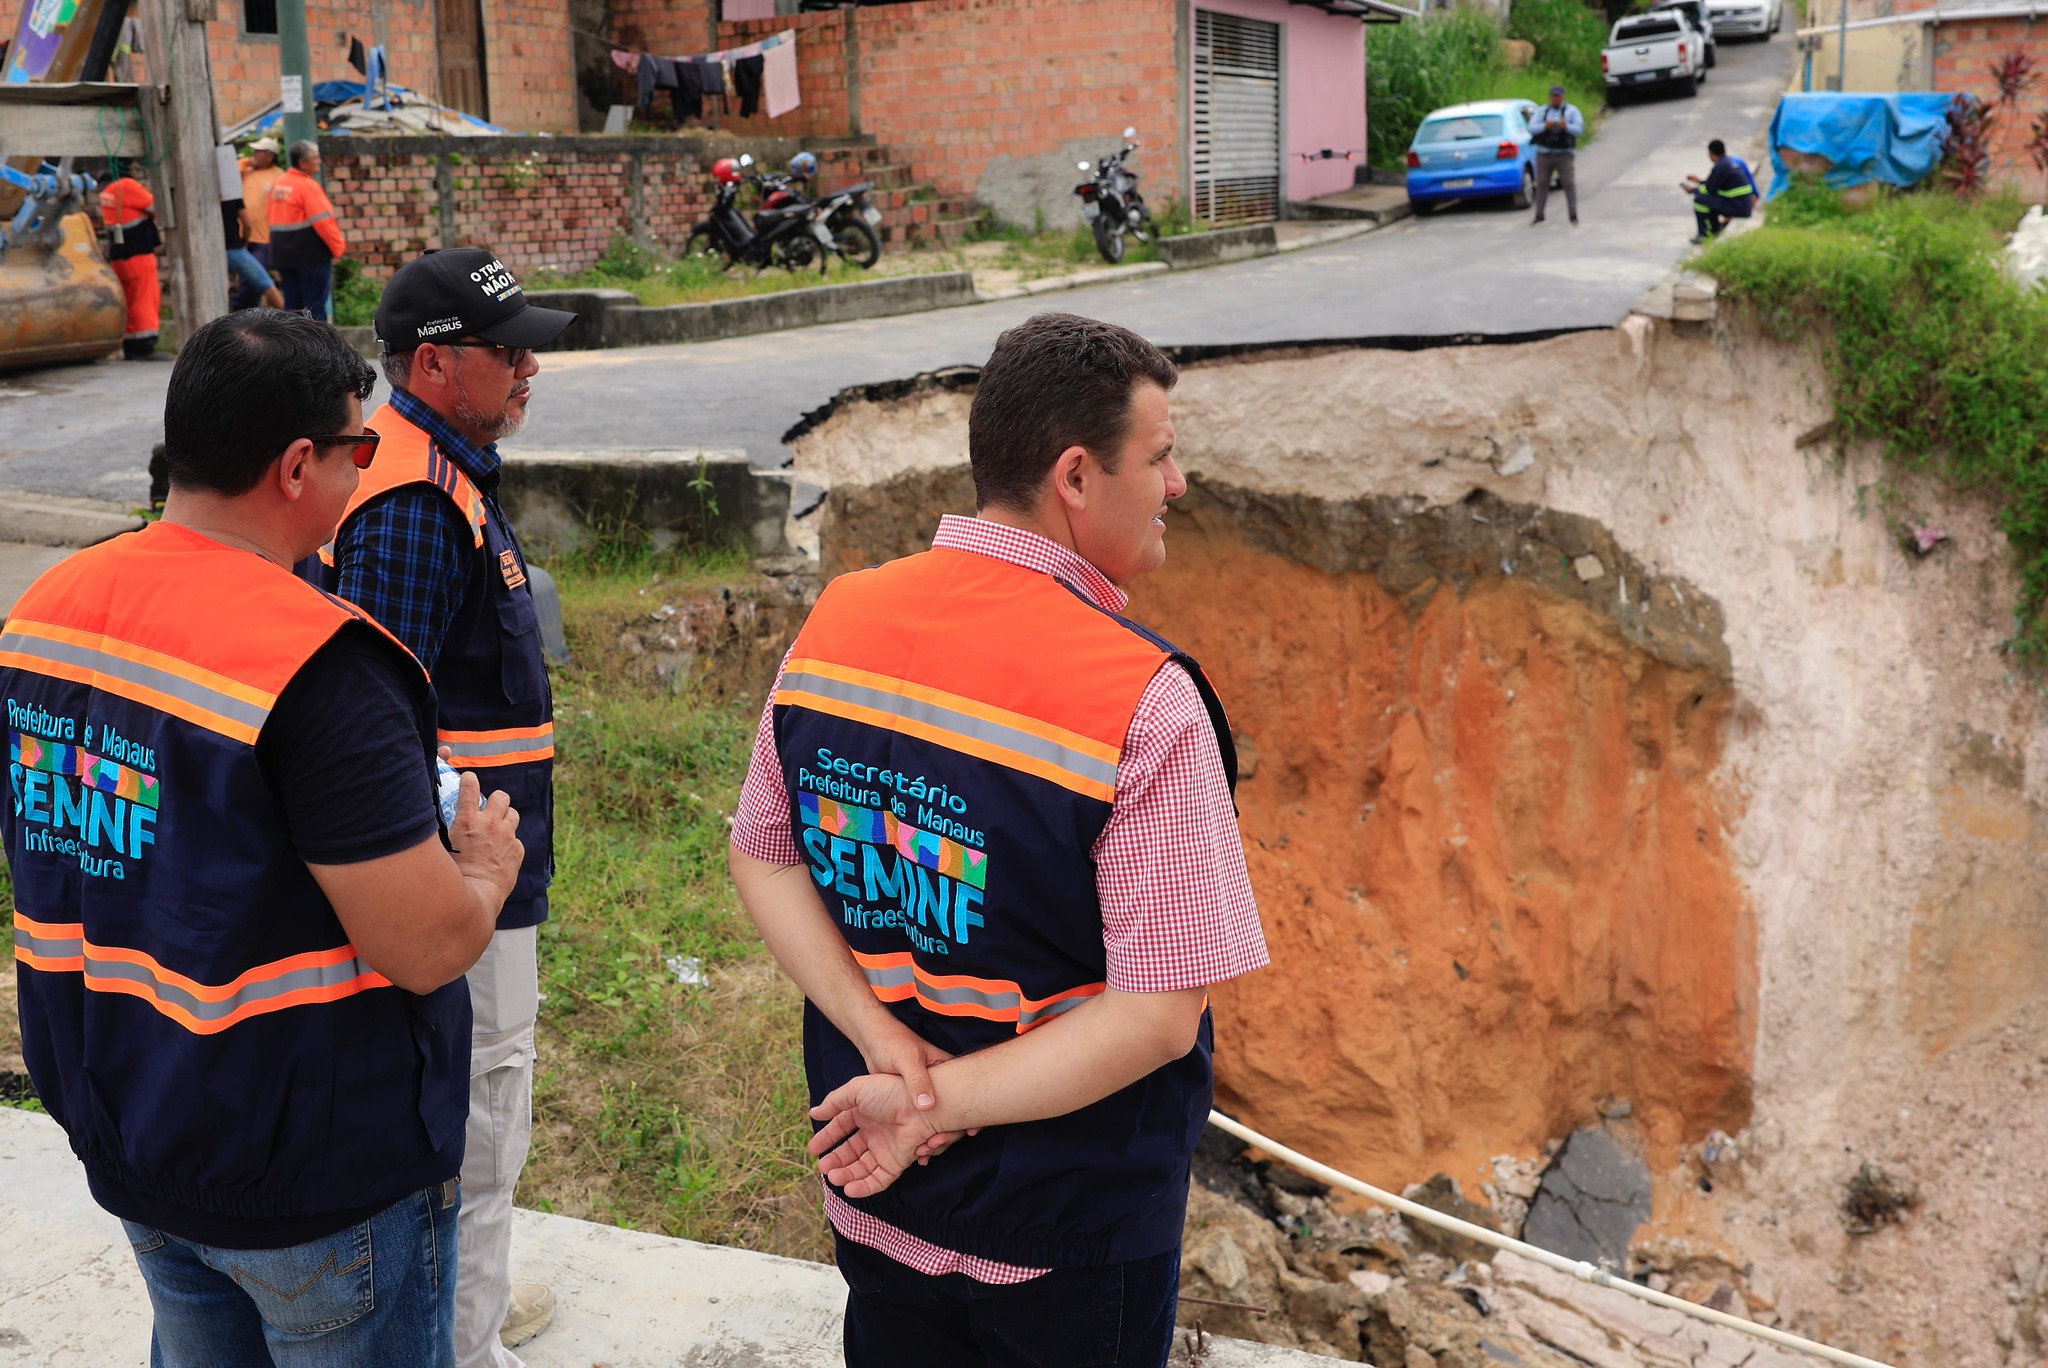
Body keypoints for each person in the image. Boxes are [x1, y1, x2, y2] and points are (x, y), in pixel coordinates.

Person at [727, 311, 1269, 1368]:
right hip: (1065, 1227)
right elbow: (1158, 1018)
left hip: (875, 1187)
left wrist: (880, 1046)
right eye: (1157, 457)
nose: (1177, 483)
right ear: (1076, 476)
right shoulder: (1142, 702)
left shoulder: (841, 620)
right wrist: (932, 1105)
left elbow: (763, 852)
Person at [0, 308, 526, 1366]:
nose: (362, 475)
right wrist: (483, 870)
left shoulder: (47, 609)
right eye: (357, 450)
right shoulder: (321, 664)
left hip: (135, 1126)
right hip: (310, 1170)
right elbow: (421, 945)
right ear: (298, 465)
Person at [308, 248, 575, 1368]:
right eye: (507, 353)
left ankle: (476, 1303)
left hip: (481, 870)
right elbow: (377, 723)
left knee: (484, 1116)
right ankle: (466, 1347)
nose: (528, 372)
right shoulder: (416, 501)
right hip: (460, 880)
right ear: (434, 362)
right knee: (479, 1122)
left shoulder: (445, 469)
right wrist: (446, 881)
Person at [268, 140, 345, 320]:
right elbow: (323, 222)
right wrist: (338, 248)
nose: (319, 161)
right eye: (315, 158)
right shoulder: (307, 186)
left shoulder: (278, 184)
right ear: (303, 163)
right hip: (310, 254)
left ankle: (292, 345)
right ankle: (319, 346)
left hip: (283, 255)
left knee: (292, 307)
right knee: (314, 307)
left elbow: (270, 218)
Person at [97, 160, 161, 358]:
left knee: (130, 301)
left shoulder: (106, 191)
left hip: (120, 256)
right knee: (144, 299)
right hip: (139, 255)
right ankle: (145, 345)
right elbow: (157, 207)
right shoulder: (127, 186)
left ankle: (131, 345)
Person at [237, 137, 286, 310]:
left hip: (263, 237)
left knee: (254, 281)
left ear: (269, 156)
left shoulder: (279, 176)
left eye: (258, 152)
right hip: (243, 236)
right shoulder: (247, 172)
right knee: (247, 279)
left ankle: (244, 313)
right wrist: (242, 165)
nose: (254, 155)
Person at [1525, 85, 1584, 227]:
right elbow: (1531, 128)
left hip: (1564, 154)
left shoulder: (1571, 111)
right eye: (1553, 96)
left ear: (1563, 97)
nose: (1556, 99)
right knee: (1542, 183)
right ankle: (1539, 214)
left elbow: (1580, 129)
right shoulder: (1542, 112)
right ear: (1550, 97)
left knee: (1568, 183)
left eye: (1558, 96)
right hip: (1544, 154)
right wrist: (1546, 126)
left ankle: (1573, 214)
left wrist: (1566, 126)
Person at [1685, 138, 1758, 243]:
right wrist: (1699, 182)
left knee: (1700, 200)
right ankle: (1714, 229)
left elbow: (1709, 190)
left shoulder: (1721, 166)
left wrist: (1692, 190)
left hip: (1737, 207)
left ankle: (1705, 234)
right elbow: (1714, 184)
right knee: (1710, 200)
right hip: (1743, 205)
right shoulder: (1729, 163)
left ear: (1711, 153)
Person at [223, 193, 286, 310]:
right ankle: (291, 324)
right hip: (234, 249)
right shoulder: (232, 194)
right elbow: (247, 225)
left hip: (210, 253)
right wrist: (244, 242)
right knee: (267, 284)